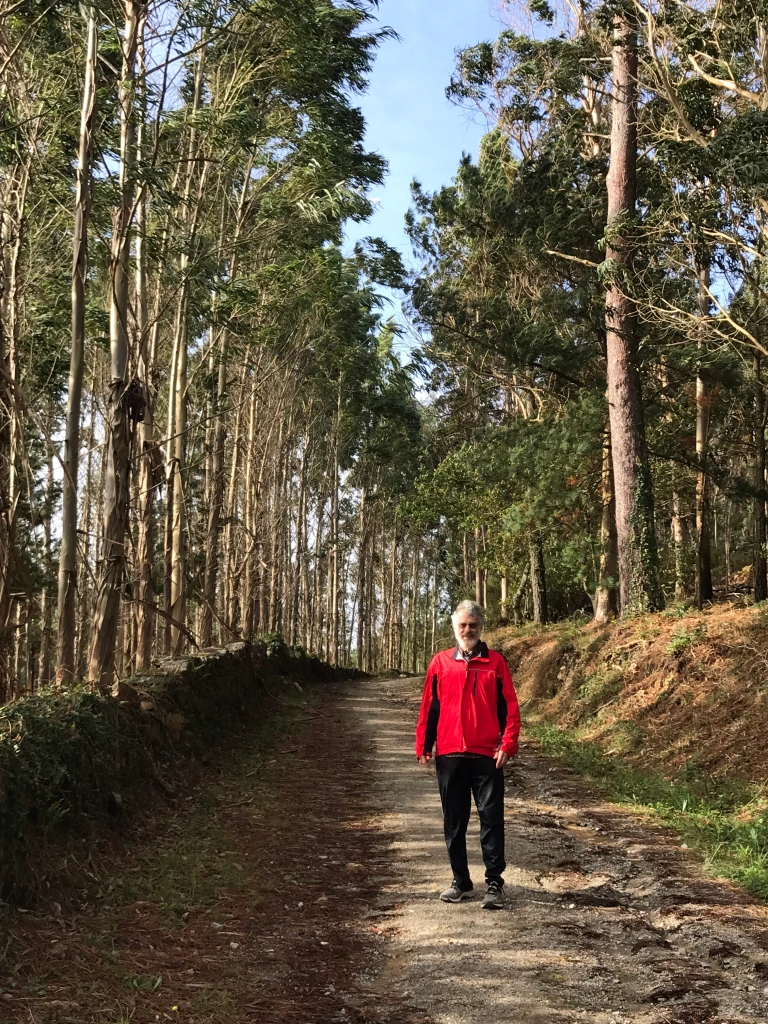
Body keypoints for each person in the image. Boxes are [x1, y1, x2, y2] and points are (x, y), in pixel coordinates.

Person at [415, 599, 520, 910]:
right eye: (462, 625)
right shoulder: (440, 663)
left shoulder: (496, 664)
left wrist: (508, 743)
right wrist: (424, 742)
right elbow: (429, 707)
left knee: (491, 820)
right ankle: (461, 881)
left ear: (480, 627)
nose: (467, 630)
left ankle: (494, 884)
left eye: (472, 625)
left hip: (487, 755)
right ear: (454, 629)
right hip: (449, 754)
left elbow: (510, 708)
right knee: (454, 822)